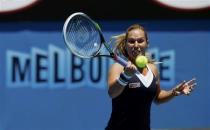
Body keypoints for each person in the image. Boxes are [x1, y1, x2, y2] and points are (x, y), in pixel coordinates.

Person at [105, 24, 196, 130]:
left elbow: (157, 98)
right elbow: (112, 93)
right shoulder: (118, 67)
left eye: (140, 41)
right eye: (131, 41)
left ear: (147, 43)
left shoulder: (153, 69)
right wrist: (125, 76)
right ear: (125, 44)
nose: (136, 45)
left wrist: (173, 92)